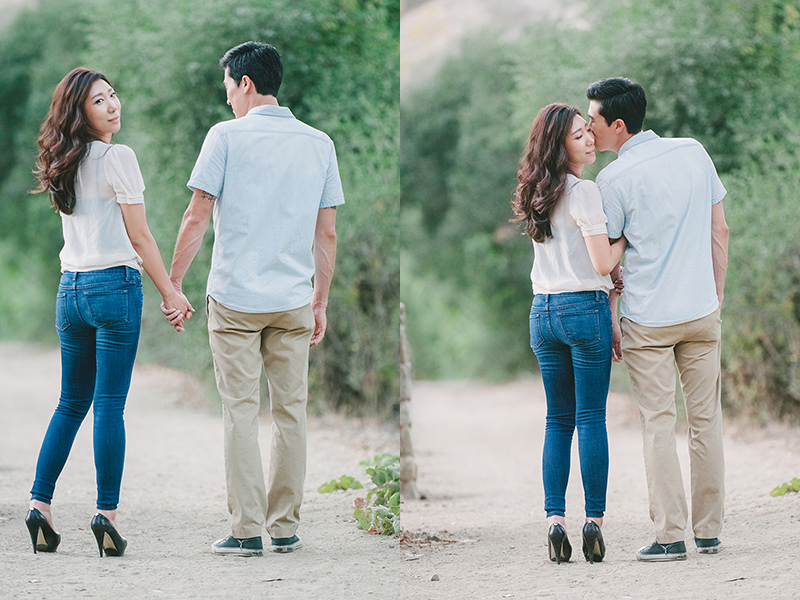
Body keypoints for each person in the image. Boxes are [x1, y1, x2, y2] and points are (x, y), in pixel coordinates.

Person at [162, 41, 344, 557]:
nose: (227, 102)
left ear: (244, 83)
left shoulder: (225, 137)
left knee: (240, 410)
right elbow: (326, 234)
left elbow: (196, 217)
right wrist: (320, 300)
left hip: (236, 299)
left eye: (228, 89)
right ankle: (284, 527)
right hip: (292, 300)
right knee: (292, 412)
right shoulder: (319, 143)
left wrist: (174, 285)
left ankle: (244, 532)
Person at [26, 67, 193, 557]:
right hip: (114, 288)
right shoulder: (118, 157)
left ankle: (40, 506)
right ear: (80, 113)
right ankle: (106, 514)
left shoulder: (61, 162)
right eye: (99, 101)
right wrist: (170, 293)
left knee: (69, 403)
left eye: (113, 95)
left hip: (70, 291)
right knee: (109, 405)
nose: (113, 105)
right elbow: (139, 237)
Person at [586, 77, 730, 561]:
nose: (589, 127)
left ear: (619, 125)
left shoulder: (611, 181)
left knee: (658, 423)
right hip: (701, 310)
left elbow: (605, 261)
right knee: (705, 420)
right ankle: (709, 532)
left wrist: (611, 322)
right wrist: (716, 295)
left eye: (594, 120)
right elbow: (720, 229)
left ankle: (669, 536)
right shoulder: (693, 151)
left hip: (648, 320)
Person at [512, 103, 627, 564]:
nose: (589, 140)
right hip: (585, 310)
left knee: (557, 421)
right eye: (579, 135)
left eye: (588, 132)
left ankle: (554, 520)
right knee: (591, 419)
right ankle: (593, 521)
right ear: (560, 145)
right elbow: (603, 263)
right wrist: (628, 238)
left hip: (543, 312)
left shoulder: (534, 190)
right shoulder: (584, 192)